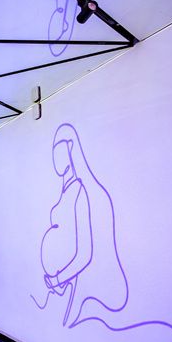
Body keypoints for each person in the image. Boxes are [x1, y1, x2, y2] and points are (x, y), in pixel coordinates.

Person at [38, 123, 128, 327]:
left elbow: (85, 253)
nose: (56, 157)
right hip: (61, 285)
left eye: (59, 149)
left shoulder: (79, 191)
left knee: (68, 323)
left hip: (66, 282)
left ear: (70, 148)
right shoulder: (66, 191)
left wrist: (57, 279)